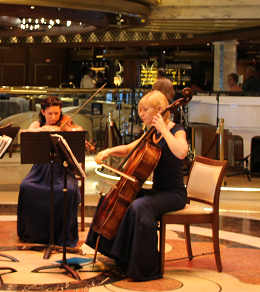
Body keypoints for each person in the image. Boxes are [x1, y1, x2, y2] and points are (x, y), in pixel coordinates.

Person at [86, 90, 188, 281]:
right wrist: (108, 151)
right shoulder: (150, 133)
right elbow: (128, 149)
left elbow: (181, 152)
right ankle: (120, 255)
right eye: (140, 110)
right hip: (158, 192)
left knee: (139, 207)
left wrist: (164, 130)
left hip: (174, 194)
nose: (141, 113)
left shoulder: (177, 130)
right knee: (116, 196)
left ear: (159, 110)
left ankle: (145, 268)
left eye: (145, 110)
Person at [17, 96, 82, 247]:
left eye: (57, 113)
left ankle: (61, 235)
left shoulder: (64, 122)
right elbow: (28, 132)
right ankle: (34, 233)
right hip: (40, 170)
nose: (53, 117)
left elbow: (78, 131)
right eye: (50, 114)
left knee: (68, 190)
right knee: (26, 187)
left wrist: (67, 129)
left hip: (62, 170)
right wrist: (44, 129)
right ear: (43, 112)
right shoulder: (37, 124)